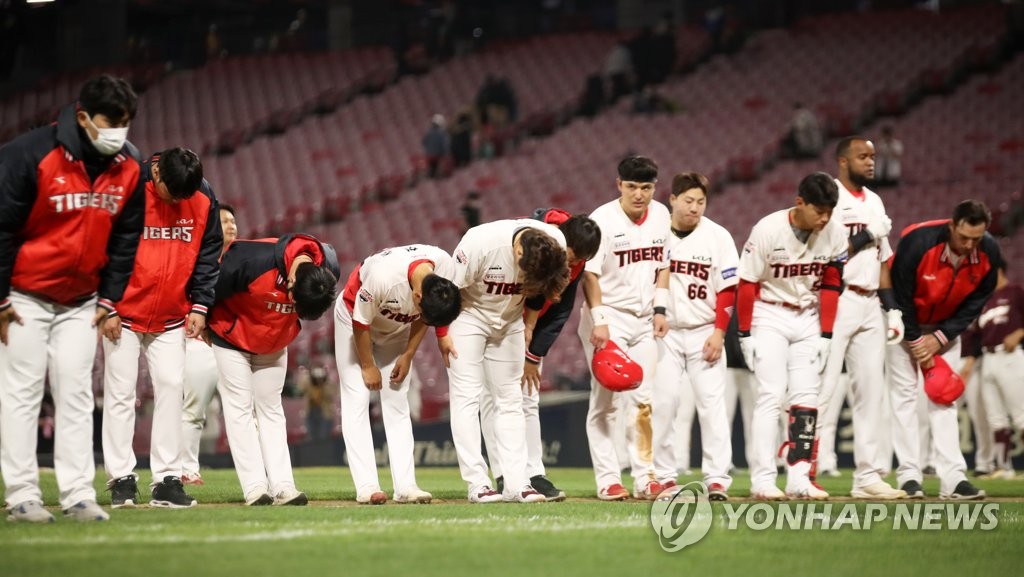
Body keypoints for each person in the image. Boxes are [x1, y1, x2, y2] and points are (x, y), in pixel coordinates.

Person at [0, 74, 145, 523]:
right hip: (23, 297)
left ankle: (78, 493)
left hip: (83, 301)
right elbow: (2, 228)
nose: (119, 131)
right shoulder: (29, 154)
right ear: (83, 117)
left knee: (78, 394)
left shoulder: (130, 165)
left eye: (125, 122)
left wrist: (110, 299)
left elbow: (125, 237)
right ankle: (22, 495)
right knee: (22, 393)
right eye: (111, 121)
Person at [101, 147, 221, 509]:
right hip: (123, 311)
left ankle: (167, 479)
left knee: (171, 388)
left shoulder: (201, 196)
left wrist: (201, 304)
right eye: (174, 194)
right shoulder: (127, 189)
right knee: (121, 393)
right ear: (156, 175)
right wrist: (106, 304)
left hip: (171, 314)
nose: (181, 200)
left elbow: (208, 251)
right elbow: (103, 246)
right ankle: (121, 478)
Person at [736, 172, 848, 500]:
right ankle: (763, 479)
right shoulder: (768, 229)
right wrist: (745, 333)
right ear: (800, 203)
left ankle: (799, 476)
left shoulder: (835, 233)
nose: (825, 217)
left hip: (809, 315)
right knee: (770, 395)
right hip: (769, 312)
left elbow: (831, 284)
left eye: (830, 210)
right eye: (819, 211)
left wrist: (827, 334)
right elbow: (748, 283)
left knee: (807, 400)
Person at [208, 233, 339, 506]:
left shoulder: (329, 269)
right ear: (291, 282)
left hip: (274, 343)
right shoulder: (249, 258)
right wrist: (204, 320)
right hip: (232, 338)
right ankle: (255, 487)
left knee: (271, 410)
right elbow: (210, 288)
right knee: (240, 408)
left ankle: (283, 486)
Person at [482, 209, 602, 501]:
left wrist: (533, 356)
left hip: (526, 331)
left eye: (579, 261)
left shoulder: (576, 259)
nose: (573, 264)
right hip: (495, 320)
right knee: (494, 398)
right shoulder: (539, 239)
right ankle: (503, 474)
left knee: (528, 398)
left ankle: (534, 473)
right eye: (572, 256)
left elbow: (561, 310)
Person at [446, 218, 569, 503]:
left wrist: (529, 324)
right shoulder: (480, 243)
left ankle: (518, 483)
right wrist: (443, 334)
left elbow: (543, 289)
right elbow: (449, 292)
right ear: (518, 253)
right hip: (469, 315)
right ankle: (477, 483)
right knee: (467, 396)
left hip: (511, 319)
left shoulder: (555, 243)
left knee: (512, 398)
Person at [888, 200, 1001, 500]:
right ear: (952, 226)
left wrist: (939, 337)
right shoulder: (918, 242)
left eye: (976, 238)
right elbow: (900, 294)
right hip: (903, 327)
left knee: (945, 398)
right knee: (905, 400)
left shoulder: (989, 253)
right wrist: (914, 340)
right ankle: (909, 476)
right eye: (963, 237)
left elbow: (974, 305)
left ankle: (953, 478)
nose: (969, 245)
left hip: (944, 333)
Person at [813, 137, 906, 499]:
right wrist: (869, 234)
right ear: (842, 161)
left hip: (869, 303)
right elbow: (827, 256)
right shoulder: (829, 197)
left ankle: (867, 476)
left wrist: (892, 307)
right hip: (838, 298)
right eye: (862, 156)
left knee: (870, 392)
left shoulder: (876, 200)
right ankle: (804, 470)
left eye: (873, 157)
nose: (870, 162)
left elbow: (883, 260)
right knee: (822, 388)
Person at [334, 244, 461, 504]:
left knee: (397, 401)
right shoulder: (383, 277)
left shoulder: (444, 268)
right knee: (357, 397)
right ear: (416, 296)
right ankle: (367, 486)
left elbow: (423, 318)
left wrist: (408, 354)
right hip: (354, 319)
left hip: (396, 327)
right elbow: (361, 322)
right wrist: (368, 365)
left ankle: (405, 486)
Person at [577, 155, 672, 501]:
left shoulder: (661, 215)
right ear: (619, 185)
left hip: (644, 318)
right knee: (606, 402)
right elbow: (590, 274)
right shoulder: (602, 218)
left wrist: (661, 308)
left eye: (646, 188)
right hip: (609, 316)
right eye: (632, 186)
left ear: (654, 188)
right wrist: (599, 321)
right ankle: (608, 479)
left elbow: (664, 265)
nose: (639, 194)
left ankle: (645, 476)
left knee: (643, 400)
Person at [651, 172, 739, 500]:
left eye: (701, 201)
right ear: (671, 199)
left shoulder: (717, 236)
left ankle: (717, 478)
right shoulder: (657, 234)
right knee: (664, 403)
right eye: (688, 200)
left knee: (712, 406)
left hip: (704, 330)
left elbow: (728, 289)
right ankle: (664, 476)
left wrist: (719, 333)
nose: (695, 207)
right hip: (665, 333)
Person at [180, 203, 238, 485]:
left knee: (243, 410)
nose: (231, 225)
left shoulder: (243, 261)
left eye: (233, 221)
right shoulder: (194, 260)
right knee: (194, 408)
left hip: (231, 344)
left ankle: (254, 471)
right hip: (198, 342)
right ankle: (186, 468)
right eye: (224, 220)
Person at [975, 259, 1023, 478]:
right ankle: (1004, 468)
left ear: (999, 270)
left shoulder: (1014, 291)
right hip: (988, 358)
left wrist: (1020, 332)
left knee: (1021, 416)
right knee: (996, 418)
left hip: (1010, 356)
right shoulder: (984, 300)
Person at [299, 365, 334, 442]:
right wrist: (310, 378)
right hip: (311, 412)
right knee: (311, 438)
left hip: (325, 413)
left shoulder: (328, 383)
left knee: (323, 437)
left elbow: (331, 394)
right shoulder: (308, 381)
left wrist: (323, 382)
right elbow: (301, 389)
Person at [422, 114, 450, 179]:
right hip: (438, 156)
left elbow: (424, 142)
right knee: (437, 170)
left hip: (429, 155)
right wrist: (446, 154)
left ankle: (432, 177)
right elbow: (445, 145)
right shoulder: (442, 133)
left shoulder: (428, 132)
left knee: (432, 170)